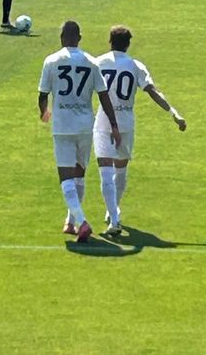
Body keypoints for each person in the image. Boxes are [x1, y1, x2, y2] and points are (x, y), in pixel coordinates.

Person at [93, 25, 186, 236]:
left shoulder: (98, 62)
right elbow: (152, 91)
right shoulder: (135, 66)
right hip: (126, 122)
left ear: (110, 42)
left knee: (105, 171)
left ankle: (113, 215)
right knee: (120, 169)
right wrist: (173, 112)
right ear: (128, 44)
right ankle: (113, 214)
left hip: (104, 121)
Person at [38, 20, 121, 243]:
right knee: (79, 175)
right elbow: (104, 95)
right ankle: (71, 221)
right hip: (85, 126)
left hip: (63, 126)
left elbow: (43, 94)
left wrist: (44, 112)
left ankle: (82, 221)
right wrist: (113, 125)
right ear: (80, 38)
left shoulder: (51, 60)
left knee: (65, 177)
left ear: (62, 37)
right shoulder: (92, 62)